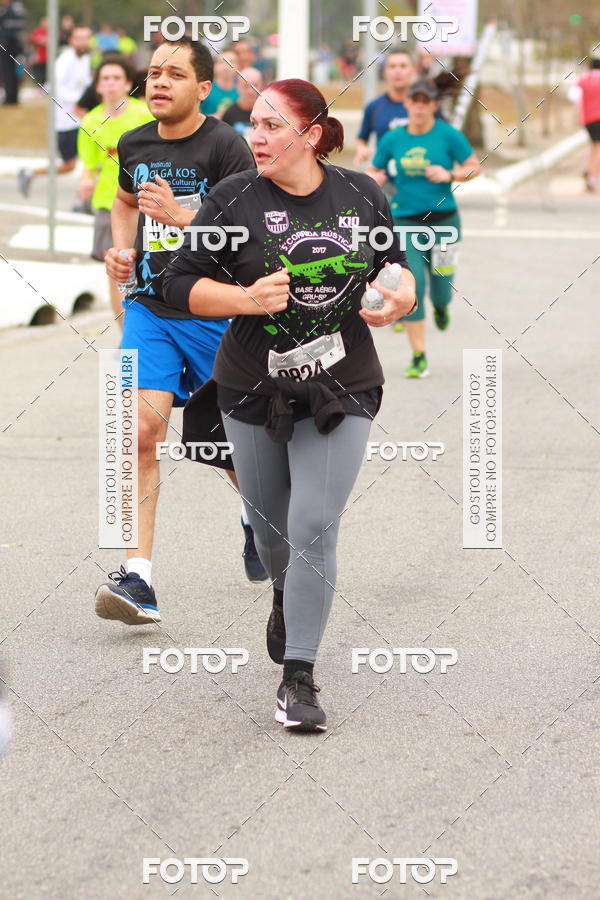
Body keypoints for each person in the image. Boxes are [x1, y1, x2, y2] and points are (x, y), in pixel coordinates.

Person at [162, 78, 417, 732]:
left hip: (343, 380)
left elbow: (394, 267)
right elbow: (181, 284)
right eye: (254, 122)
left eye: (273, 125)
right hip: (253, 383)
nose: (258, 135)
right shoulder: (232, 199)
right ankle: (283, 591)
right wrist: (246, 299)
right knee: (273, 529)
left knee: (313, 525)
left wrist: (401, 297)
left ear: (309, 134)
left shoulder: (361, 193)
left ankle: (297, 676)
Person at [94, 36, 266, 628]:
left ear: (203, 87)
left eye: (174, 74)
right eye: (154, 73)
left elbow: (252, 232)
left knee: (225, 447)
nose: (159, 82)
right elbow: (123, 202)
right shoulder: (135, 142)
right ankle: (138, 575)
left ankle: (256, 519)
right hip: (150, 309)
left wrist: (185, 217)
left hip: (217, 315)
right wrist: (121, 252)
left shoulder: (224, 145)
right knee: (140, 430)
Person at [367, 79, 480, 378]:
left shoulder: (448, 135)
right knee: (411, 280)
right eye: (414, 101)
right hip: (405, 220)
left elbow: (473, 165)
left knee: (441, 285)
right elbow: (374, 168)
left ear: (433, 105)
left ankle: (442, 306)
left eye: (424, 101)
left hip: (444, 222)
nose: (418, 106)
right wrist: (374, 178)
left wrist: (451, 173)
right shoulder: (393, 138)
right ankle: (419, 355)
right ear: (407, 104)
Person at [77, 56, 154, 322]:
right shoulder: (90, 122)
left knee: (148, 270)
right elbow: (89, 167)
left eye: (116, 78)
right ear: (98, 86)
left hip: (146, 204)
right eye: (105, 79)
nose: (111, 84)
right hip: (108, 205)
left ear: (127, 83)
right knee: (117, 273)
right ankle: (125, 339)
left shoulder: (145, 115)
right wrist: (86, 181)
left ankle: (147, 333)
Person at [17, 25, 92, 196]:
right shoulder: (65, 60)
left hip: (80, 119)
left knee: (85, 161)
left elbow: (85, 84)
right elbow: (56, 88)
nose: (83, 42)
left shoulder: (85, 59)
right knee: (71, 165)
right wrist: (79, 102)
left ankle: (81, 198)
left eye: (86, 38)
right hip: (65, 121)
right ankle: (30, 173)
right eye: (79, 38)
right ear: (72, 40)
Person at [570, 58, 600, 193]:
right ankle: (591, 178)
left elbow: (572, 96)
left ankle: (589, 170)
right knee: (598, 148)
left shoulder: (583, 80)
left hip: (588, 119)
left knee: (595, 146)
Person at [221, 67, 263, 142]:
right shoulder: (229, 114)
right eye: (246, 86)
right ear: (238, 87)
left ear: (261, 86)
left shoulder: (268, 113)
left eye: (255, 86)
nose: (251, 91)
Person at [0, 0, 25, 105]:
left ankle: (10, 98)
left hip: (7, 43)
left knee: (8, 71)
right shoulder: (19, 8)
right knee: (14, 71)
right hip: (17, 43)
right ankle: (13, 97)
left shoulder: (8, 9)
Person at [200, 49, 238, 117]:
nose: (226, 67)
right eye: (222, 62)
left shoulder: (243, 91)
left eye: (230, 62)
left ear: (238, 66)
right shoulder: (204, 89)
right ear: (215, 65)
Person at [28, 15, 48, 86]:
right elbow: (32, 39)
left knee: (47, 74)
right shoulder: (38, 30)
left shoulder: (51, 31)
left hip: (49, 58)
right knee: (40, 74)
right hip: (40, 57)